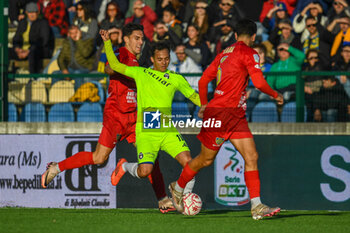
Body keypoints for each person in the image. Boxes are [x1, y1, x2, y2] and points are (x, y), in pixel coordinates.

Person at [42, 23, 175, 213]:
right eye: (137, 38)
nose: (140, 42)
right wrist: (122, 67)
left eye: (142, 38)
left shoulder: (138, 61)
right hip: (116, 116)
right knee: (98, 159)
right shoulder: (121, 53)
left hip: (134, 117)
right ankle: (56, 168)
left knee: (152, 157)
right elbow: (109, 69)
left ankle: (162, 199)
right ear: (126, 39)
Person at [168, 19, 283, 220]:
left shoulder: (224, 54)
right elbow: (258, 82)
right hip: (221, 114)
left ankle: (256, 206)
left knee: (251, 156)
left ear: (236, 35)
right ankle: (178, 187)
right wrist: (275, 95)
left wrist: (203, 104)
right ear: (254, 37)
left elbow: (204, 80)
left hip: (235, 115)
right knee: (205, 159)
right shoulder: (250, 53)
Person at [100, 30, 201, 200]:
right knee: (144, 171)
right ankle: (124, 167)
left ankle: (183, 196)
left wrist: (213, 107)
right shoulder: (142, 73)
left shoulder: (176, 78)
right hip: (147, 131)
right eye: (160, 59)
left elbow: (195, 97)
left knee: (190, 163)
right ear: (153, 59)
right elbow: (116, 66)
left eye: (167, 59)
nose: (164, 62)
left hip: (167, 130)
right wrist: (107, 43)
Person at [10, 2, 54, 73]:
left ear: (38, 12)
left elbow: (43, 41)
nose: (32, 15)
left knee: (33, 52)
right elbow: (16, 38)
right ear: (27, 13)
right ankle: (7, 75)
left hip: (40, 50)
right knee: (6, 51)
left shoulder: (43, 23)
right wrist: (17, 48)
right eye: (30, 12)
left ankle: (33, 76)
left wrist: (28, 51)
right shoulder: (22, 23)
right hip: (23, 50)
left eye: (34, 12)